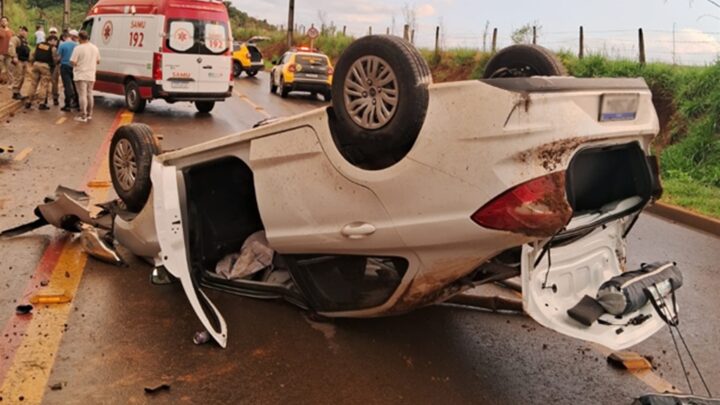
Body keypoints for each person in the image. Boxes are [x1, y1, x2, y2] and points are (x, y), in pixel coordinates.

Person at [21, 34, 59, 110]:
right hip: (45, 66)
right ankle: (42, 103)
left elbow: (32, 55)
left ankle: (28, 101)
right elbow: (55, 59)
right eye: (55, 41)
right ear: (52, 40)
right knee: (44, 85)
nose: (56, 43)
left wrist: (32, 63)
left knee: (33, 84)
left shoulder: (39, 45)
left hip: (36, 64)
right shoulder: (53, 48)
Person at [70, 31, 99, 122]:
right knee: (89, 94)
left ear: (80, 38)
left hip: (80, 75)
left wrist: (77, 64)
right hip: (91, 75)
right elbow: (98, 61)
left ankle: (83, 115)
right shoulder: (95, 48)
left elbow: (73, 61)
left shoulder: (78, 48)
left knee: (82, 95)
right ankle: (90, 114)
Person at [57, 29, 78, 111]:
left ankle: (68, 105)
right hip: (74, 67)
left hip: (65, 66)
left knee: (67, 85)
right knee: (75, 85)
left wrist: (57, 62)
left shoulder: (62, 45)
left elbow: (58, 57)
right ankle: (77, 103)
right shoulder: (76, 45)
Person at [8, 26, 30, 99]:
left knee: (22, 77)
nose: (23, 32)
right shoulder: (15, 39)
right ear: (19, 31)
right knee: (18, 76)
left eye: (25, 31)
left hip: (25, 60)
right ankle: (15, 93)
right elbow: (11, 47)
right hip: (18, 60)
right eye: (22, 30)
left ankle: (18, 92)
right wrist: (14, 56)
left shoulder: (25, 40)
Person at [0, 17, 14, 85]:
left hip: (9, 53)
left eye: (5, 21)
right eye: (2, 21)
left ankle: (11, 84)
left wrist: (14, 53)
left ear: (8, 22)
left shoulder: (11, 31)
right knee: (0, 68)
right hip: (1, 53)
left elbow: (14, 42)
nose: (3, 22)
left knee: (10, 69)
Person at [48, 27, 60, 105]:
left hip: (55, 66)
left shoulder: (59, 43)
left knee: (54, 82)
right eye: (51, 32)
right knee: (46, 82)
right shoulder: (47, 42)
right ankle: (45, 99)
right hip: (49, 65)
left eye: (54, 32)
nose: (53, 34)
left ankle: (55, 98)